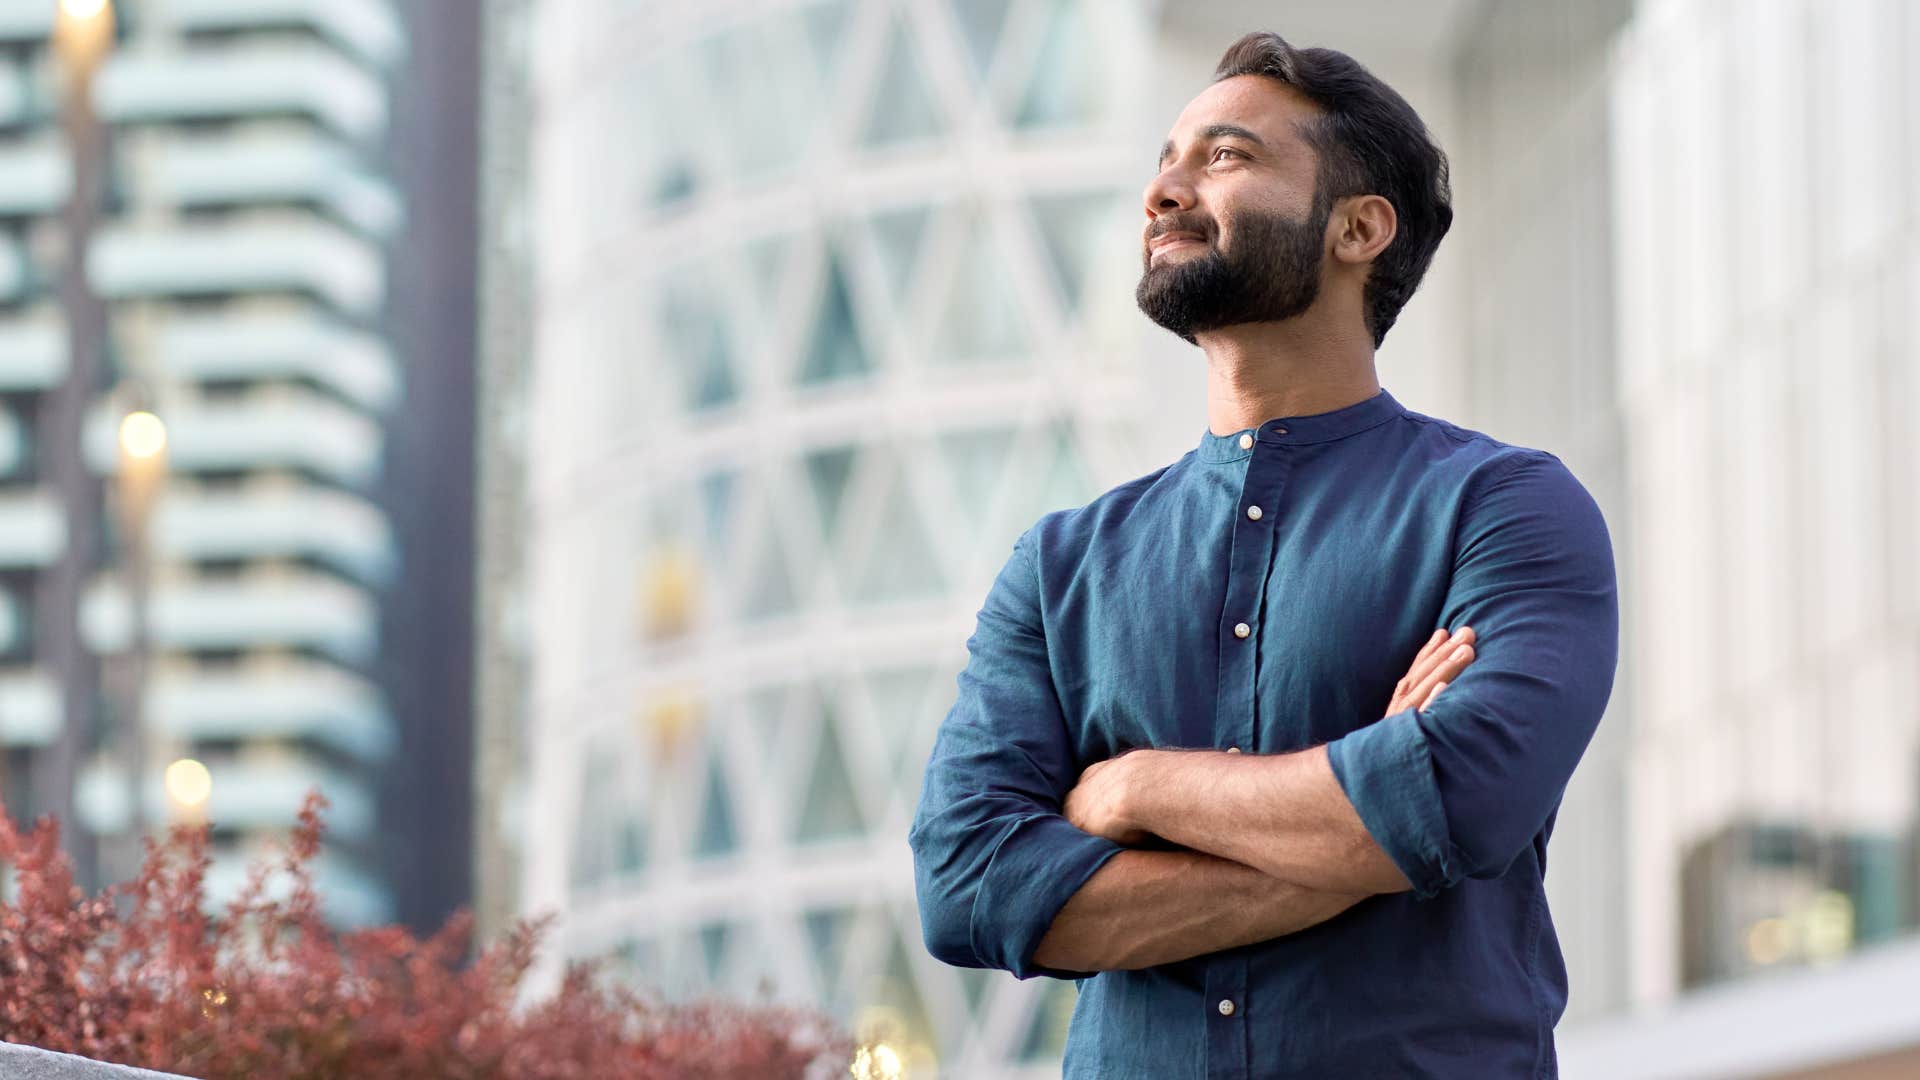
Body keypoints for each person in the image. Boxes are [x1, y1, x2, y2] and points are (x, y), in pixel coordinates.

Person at [907, 29, 1619, 1079]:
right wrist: (1362, 823)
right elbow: (968, 885)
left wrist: (1138, 789)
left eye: (1226, 157)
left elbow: (1464, 797)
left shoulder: (1504, 508)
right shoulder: (1060, 569)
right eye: (1166, 161)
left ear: (1359, 228)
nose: (1165, 191)